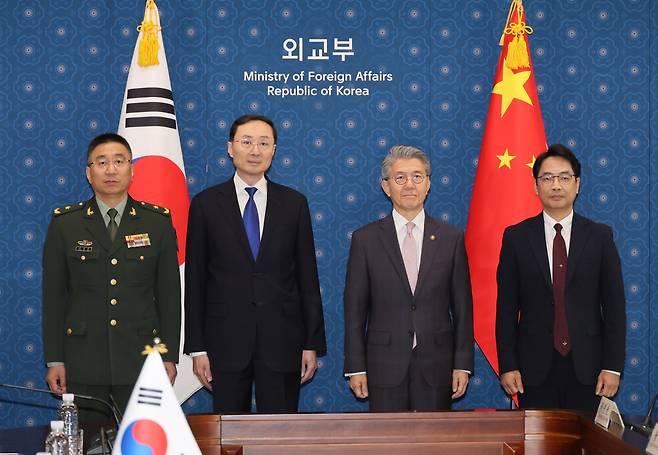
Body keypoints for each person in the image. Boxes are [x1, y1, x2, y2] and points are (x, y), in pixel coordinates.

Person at [184, 114, 326, 413]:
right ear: (230, 148)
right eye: (246, 142)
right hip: (224, 342)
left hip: (283, 341)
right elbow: (195, 281)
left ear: (274, 150)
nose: (255, 150)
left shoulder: (294, 204)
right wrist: (198, 347)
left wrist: (310, 343)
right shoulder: (206, 204)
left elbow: (307, 279)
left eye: (264, 143)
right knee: (229, 436)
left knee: (279, 436)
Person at [42, 133, 181, 419]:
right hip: (83, 361)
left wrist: (168, 355)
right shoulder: (65, 224)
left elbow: (169, 296)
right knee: (90, 444)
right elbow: (54, 298)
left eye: (119, 161)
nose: (111, 170)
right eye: (101, 162)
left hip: (142, 358)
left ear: (132, 170)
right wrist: (55, 358)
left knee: (140, 445)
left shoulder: (157, 223)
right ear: (88, 173)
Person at [343, 145, 474, 411]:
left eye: (417, 177)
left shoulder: (451, 238)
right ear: (386, 186)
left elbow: (462, 307)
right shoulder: (365, 240)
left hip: (438, 363)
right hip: (383, 364)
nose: (409, 185)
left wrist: (462, 363)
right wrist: (355, 367)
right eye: (400, 178)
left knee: (435, 446)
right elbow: (354, 309)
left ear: (428, 184)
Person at [496, 144, 626, 411]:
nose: (556, 185)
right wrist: (508, 365)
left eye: (564, 177)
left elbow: (614, 308)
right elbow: (506, 308)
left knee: (584, 447)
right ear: (536, 186)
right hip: (533, 369)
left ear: (577, 184)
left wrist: (612, 366)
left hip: (589, 369)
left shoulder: (599, 237)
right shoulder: (516, 237)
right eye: (547, 178)